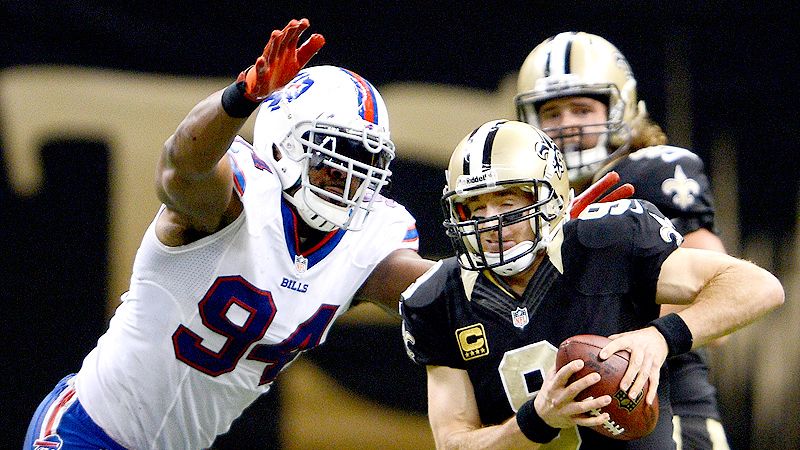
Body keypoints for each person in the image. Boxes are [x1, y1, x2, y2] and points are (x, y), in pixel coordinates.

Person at [24, 18, 434, 450]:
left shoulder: (368, 236)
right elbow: (180, 167)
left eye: (362, 160)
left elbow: (438, 290)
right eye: (331, 155)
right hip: (88, 430)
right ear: (284, 141)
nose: (345, 177)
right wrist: (240, 98)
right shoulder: (236, 194)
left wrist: (505, 260)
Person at [399, 119, 783, 448]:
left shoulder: (607, 241)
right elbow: (453, 441)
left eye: (508, 204)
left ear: (551, 199)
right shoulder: (438, 297)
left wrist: (661, 336)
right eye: (476, 207)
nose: (491, 223)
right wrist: (538, 419)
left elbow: (758, 286)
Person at [514, 32, 729, 448]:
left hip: (663, 405)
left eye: (582, 109)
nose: (566, 126)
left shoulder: (649, 174)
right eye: (552, 113)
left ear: (621, 109)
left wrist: (630, 321)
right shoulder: (520, 205)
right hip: (568, 413)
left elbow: (712, 294)